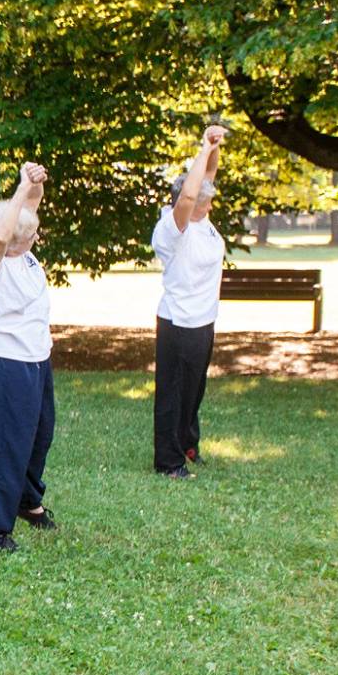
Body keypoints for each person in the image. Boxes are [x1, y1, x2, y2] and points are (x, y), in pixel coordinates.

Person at [0, 163, 57, 551]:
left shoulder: (25, 254)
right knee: (4, 444)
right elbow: (3, 236)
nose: (36, 235)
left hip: (37, 358)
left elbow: (27, 214)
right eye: (30, 233)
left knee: (38, 435)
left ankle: (26, 501)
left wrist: (33, 184)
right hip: (5, 361)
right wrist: (20, 189)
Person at [153, 124, 229, 478]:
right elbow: (187, 197)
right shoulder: (174, 226)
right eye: (205, 198)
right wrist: (202, 146)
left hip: (203, 320)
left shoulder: (203, 217)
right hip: (179, 323)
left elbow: (207, 176)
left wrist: (213, 146)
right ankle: (168, 462)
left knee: (194, 391)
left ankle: (187, 444)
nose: (211, 202)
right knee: (173, 394)